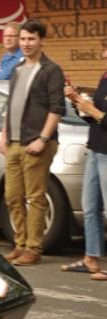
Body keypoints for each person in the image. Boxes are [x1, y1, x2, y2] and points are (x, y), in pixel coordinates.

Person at [0, 20, 65, 267]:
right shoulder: (16, 69)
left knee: (35, 197)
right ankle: (20, 243)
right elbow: (11, 105)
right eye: (23, 39)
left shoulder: (51, 70)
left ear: (41, 41)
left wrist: (43, 139)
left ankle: (33, 248)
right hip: (14, 142)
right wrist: (3, 135)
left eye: (31, 39)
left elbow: (57, 108)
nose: (26, 44)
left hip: (37, 143)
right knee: (12, 196)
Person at [63, 39, 107, 281]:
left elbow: (100, 115)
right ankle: (91, 258)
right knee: (90, 207)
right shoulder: (104, 78)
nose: (103, 55)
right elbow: (95, 118)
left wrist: (95, 112)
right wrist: (77, 101)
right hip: (95, 148)